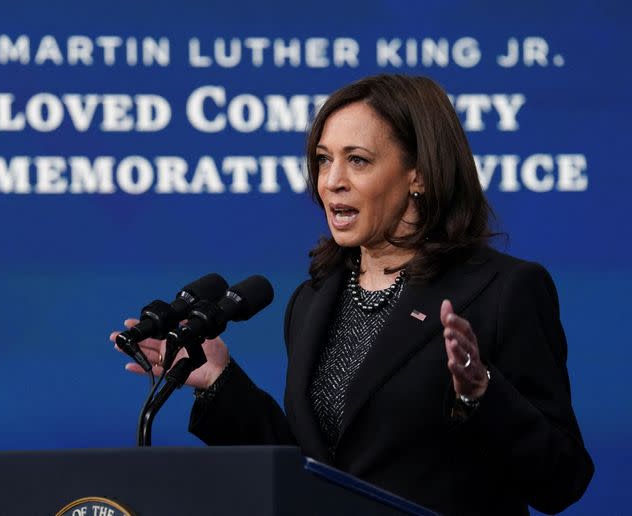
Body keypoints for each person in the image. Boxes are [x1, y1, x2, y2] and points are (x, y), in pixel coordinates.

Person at [111, 74, 593, 515]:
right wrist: (218, 380)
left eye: (357, 160)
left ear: (418, 174)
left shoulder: (503, 291)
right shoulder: (313, 300)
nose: (331, 180)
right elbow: (313, 469)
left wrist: (482, 395)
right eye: (324, 159)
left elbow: (562, 481)